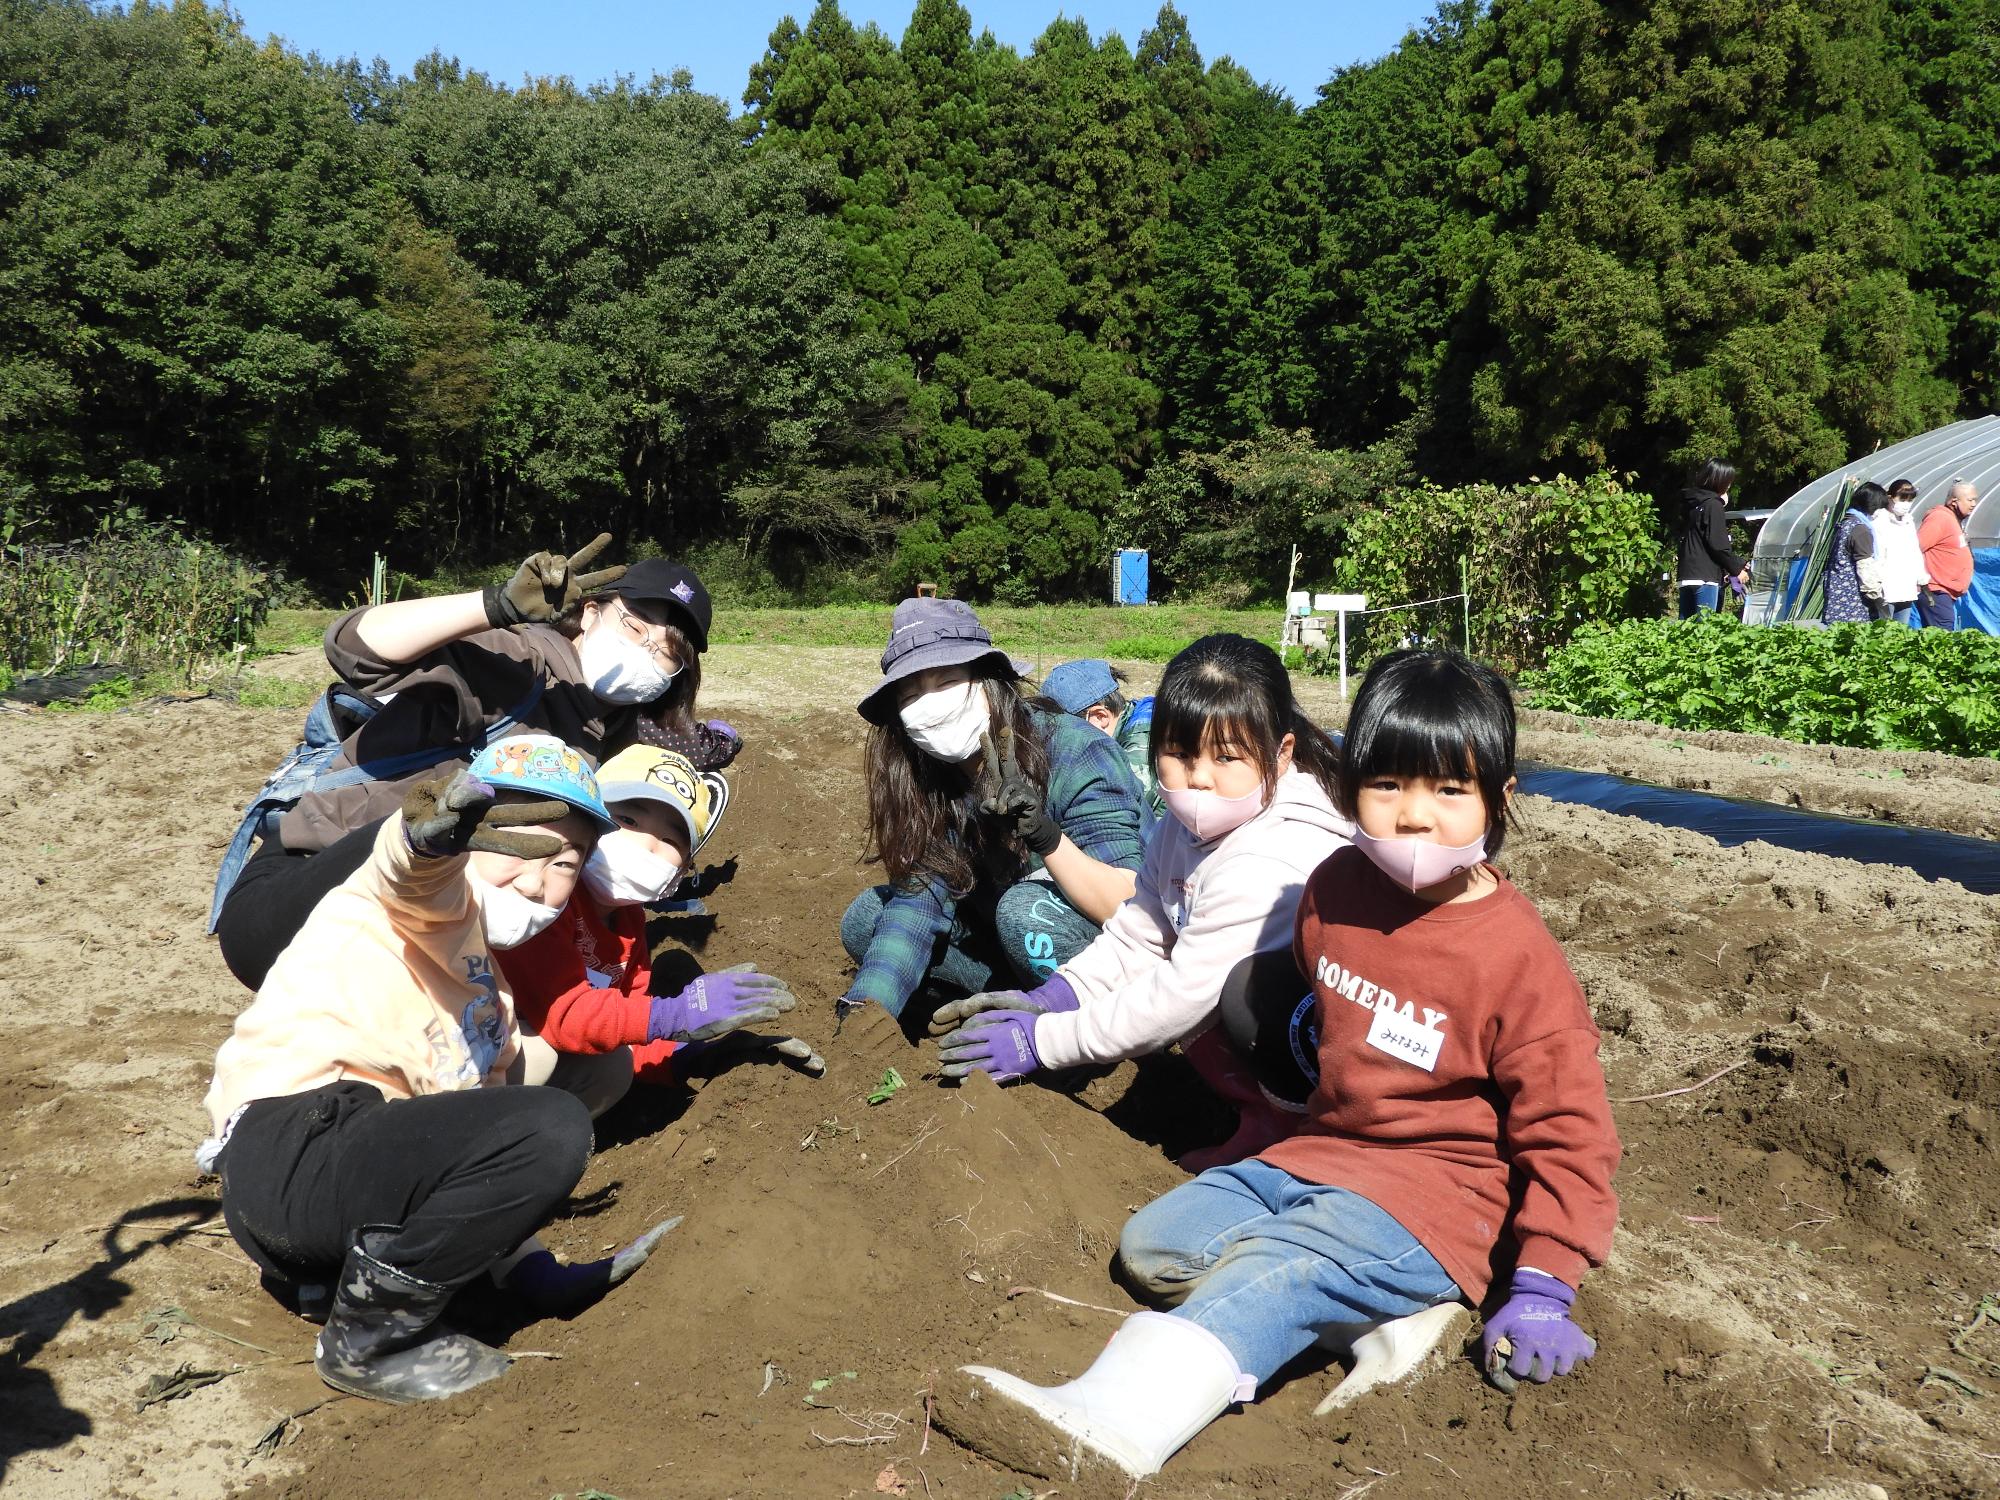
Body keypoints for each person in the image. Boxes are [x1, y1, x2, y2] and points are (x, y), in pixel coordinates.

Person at [953, 650, 1620, 1480]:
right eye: (1388, 788)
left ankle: (1114, 1419)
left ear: (1500, 797)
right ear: (1353, 790)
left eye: (1449, 791)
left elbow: (1572, 1132)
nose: (1415, 818)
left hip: (1442, 1195)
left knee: (1281, 1271)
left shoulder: (1517, 959)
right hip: (1327, 1151)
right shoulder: (1336, 886)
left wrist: (1545, 1283)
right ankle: (1383, 1314)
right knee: (1153, 1246)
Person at [199, 738, 687, 1404]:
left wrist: (532, 1266)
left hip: (334, 1198)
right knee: (550, 1124)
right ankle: (370, 1341)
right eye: (519, 848)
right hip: (291, 1148)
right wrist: (422, 840)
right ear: (469, 835)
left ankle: (338, 1282)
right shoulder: (418, 900)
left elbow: (473, 1140)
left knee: (529, 1097)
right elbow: (404, 869)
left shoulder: (487, 984)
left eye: (565, 863)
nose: (538, 881)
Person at [929, 635, 1352, 1173]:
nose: (1198, 777)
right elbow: (1142, 932)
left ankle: (1294, 1129)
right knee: (1197, 977)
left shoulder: (1272, 857)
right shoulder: (1189, 824)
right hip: (1229, 989)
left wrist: (1043, 1041)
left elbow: (1179, 995)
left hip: (1334, 1034)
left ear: (1281, 753)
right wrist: (1055, 998)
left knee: (1240, 996)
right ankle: (1253, 1113)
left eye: (1227, 758)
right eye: (1179, 754)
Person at [214, 539, 715, 992]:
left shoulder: (612, 734)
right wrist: (493, 605)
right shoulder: (520, 662)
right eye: (634, 626)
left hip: (432, 925)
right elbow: (354, 648)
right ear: (589, 613)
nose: (645, 651)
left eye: (666, 653)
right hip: (321, 883)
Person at [838, 598, 1146, 1030]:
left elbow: (1128, 904)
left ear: (990, 681)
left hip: (1099, 951)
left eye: (946, 681)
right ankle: (1004, 1000)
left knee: (1022, 911)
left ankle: (1071, 1026)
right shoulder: (928, 775)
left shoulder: (1078, 751)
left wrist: (1044, 834)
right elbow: (918, 901)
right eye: (910, 693)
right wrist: (863, 1014)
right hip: (1001, 941)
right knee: (866, 918)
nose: (930, 705)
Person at [497, 744, 822, 1086]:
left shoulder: (630, 923)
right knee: (577, 1066)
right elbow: (567, 1015)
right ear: (589, 818)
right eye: (628, 820)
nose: (647, 845)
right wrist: (675, 1015)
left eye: (670, 839)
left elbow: (624, 1033)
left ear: (683, 871)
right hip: (481, 1053)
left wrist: (692, 1057)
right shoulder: (546, 898)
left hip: (565, 1048)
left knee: (614, 1066)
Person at [1041, 659, 1165, 830]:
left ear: (1100, 717)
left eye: (1064, 729)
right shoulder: (1126, 721)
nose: (1060, 739)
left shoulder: (1142, 742)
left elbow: (1116, 805)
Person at [1675, 458, 1748, 618]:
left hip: (1687, 575)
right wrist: (1737, 569)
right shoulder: (1713, 505)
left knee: (1685, 631)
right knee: (1705, 630)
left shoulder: (1692, 503)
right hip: (1705, 576)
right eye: (1728, 481)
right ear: (1720, 480)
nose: (1729, 485)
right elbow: (1718, 544)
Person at [1918, 479, 1979, 630]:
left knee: (1941, 635)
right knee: (1941, 638)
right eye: (1970, 500)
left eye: (1975, 500)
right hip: (1935, 590)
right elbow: (1916, 548)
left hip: (1944, 592)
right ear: (1954, 501)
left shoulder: (1953, 520)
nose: (1974, 504)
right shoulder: (1940, 518)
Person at [1823, 483, 1885, 625]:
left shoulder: (1846, 522)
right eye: (1879, 507)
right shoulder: (1861, 529)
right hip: (1853, 602)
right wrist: (1876, 596)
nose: (1880, 511)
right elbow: (1865, 566)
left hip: (1836, 596)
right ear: (1871, 505)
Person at [1872, 479, 1926, 626]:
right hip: (1886, 586)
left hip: (1906, 586)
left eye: (1910, 500)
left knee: (1901, 632)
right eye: (1902, 498)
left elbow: (1915, 552)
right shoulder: (1879, 521)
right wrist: (1877, 583)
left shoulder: (1908, 522)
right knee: (1883, 631)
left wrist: (1919, 578)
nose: (1906, 503)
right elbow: (1877, 555)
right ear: (1890, 497)